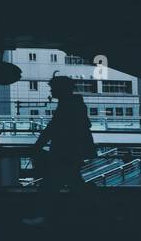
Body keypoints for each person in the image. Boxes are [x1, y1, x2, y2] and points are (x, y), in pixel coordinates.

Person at [23, 75, 95, 227]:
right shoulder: (74, 104)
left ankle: (44, 216)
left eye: (53, 88)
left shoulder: (67, 105)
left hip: (64, 151)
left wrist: (38, 145)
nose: (51, 90)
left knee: (51, 185)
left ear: (61, 89)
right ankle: (94, 213)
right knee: (71, 183)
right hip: (72, 151)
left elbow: (53, 127)